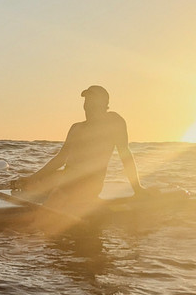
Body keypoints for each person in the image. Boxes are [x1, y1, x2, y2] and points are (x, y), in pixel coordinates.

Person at [13, 85, 144, 210]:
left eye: (92, 100)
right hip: (66, 177)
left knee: (56, 194)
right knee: (31, 185)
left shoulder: (113, 121)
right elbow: (60, 159)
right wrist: (33, 178)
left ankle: (46, 214)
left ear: (104, 103)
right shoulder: (76, 128)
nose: (87, 104)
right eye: (86, 100)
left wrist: (137, 188)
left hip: (89, 182)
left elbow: (125, 154)